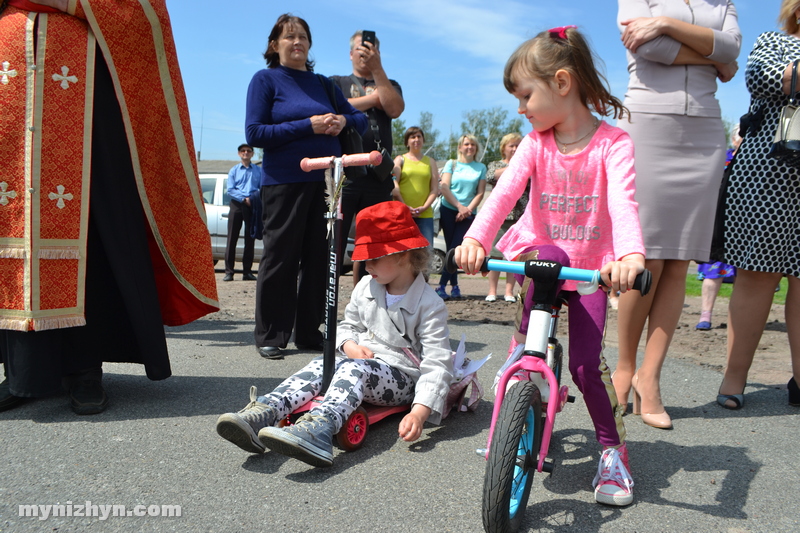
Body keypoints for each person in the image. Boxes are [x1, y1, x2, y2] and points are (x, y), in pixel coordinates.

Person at [455, 26, 645, 507]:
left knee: (584, 366)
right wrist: (477, 237)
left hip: (591, 273)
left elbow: (624, 206)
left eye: (525, 96)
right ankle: (523, 377)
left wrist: (629, 257)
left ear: (561, 84)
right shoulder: (534, 144)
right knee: (528, 339)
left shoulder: (612, 145)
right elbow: (502, 198)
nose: (521, 108)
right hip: (544, 263)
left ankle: (611, 449)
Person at [0, 0, 219, 415]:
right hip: (12, 73)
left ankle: (84, 370)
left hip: (83, 78)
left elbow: (141, 9)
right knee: (15, 222)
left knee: (88, 227)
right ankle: (23, 372)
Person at [216, 201, 454, 467]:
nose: (366, 266)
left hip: (402, 377)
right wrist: (349, 344)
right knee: (321, 364)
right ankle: (266, 410)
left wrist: (420, 412)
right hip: (361, 362)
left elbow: (437, 362)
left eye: (374, 258)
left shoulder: (429, 304)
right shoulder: (367, 286)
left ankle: (320, 427)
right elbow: (347, 325)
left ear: (403, 254)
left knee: (355, 371)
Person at [612, 0, 741, 429]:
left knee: (680, 261)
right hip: (648, 123)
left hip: (704, 130)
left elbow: (733, 48)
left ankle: (651, 378)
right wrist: (714, 57)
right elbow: (648, 49)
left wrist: (667, 23)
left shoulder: (723, 2)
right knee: (645, 259)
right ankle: (624, 368)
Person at [245, 14, 368, 360]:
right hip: (284, 182)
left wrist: (343, 118)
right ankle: (271, 333)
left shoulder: (324, 84)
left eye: (303, 37)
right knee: (280, 257)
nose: (297, 42)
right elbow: (254, 133)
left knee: (320, 258)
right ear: (275, 45)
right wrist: (308, 125)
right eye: (289, 37)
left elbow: (358, 118)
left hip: (328, 182)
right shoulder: (265, 80)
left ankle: (309, 331)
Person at [717, 0, 800, 409]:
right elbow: (762, 79)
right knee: (756, 274)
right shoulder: (774, 42)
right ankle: (734, 378)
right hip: (769, 171)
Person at [331, 31, 405, 287]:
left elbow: (394, 107)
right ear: (351, 53)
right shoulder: (336, 82)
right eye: (361, 50)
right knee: (334, 241)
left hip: (377, 175)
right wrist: (374, 99)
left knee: (374, 243)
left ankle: (369, 299)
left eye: (372, 50)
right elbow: (337, 109)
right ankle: (321, 307)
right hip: (346, 173)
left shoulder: (389, 83)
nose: (365, 54)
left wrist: (378, 69)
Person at [696, 125, 741, 330]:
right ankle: (705, 315)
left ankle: (741, 320)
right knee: (713, 271)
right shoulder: (720, 160)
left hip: (746, 225)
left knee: (748, 276)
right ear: (733, 140)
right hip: (718, 223)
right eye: (742, 135)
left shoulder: (760, 160)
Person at [436, 135, 487, 300]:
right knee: (452, 248)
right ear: (460, 147)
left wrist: (467, 210)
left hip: (469, 214)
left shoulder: (480, 167)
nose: (469, 147)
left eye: (473, 144)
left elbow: (480, 193)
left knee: (456, 247)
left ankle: (443, 286)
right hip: (449, 209)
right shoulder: (452, 164)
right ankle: (454, 286)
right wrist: (459, 207)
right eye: (466, 144)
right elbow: (444, 188)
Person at [484, 132, 525, 303]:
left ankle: (509, 291)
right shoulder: (495, 165)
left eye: (518, 145)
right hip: (501, 217)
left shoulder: (526, 165)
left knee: (513, 257)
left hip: (520, 217)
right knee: (495, 255)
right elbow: (491, 176)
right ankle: (492, 291)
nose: (515, 149)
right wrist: (516, 166)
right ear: (504, 148)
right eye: (511, 145)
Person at [391, 126, 440, 246]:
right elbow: (393, 184)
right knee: (403, 252)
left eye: (419, 136)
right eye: (413, 137)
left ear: (423, 140)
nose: (416, 139)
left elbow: (434, 189)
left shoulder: (430, 162)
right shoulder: (400, 159)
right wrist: (405, 206)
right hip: (402, 214)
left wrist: (424, 206)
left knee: (425, 253)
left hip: (425, 214)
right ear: (407, 142)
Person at [223, 144, 261, 282]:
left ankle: (247, 272)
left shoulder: (258, 171)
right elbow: (230, 190)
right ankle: (229, 272)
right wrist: (244, 198)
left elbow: (261, 188)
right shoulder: (233, 170)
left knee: (250, 239)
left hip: (252, 205)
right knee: (231, 238)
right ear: (239, 154)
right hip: (237, 205)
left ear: (252, 154)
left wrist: (252, 199)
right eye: (243, 151)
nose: (245, 153)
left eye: (248, 151)